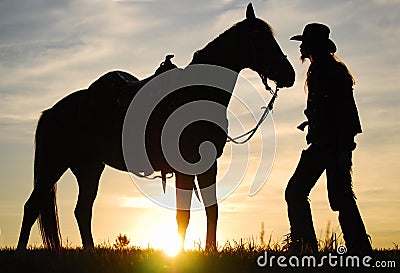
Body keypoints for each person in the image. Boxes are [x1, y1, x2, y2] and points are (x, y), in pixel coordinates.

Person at [285, 23, 373, 255]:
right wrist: (312, 122)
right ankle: (359, 250)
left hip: (331, 145)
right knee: (340, 198)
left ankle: (305, 248)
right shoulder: (325, 70)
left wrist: (345, 147)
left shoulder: (328, 73)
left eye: (304, 43)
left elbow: (345, 113)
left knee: (298, 192)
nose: (301, 47)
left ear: (313, 46)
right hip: (329, 143)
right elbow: (330, 111)